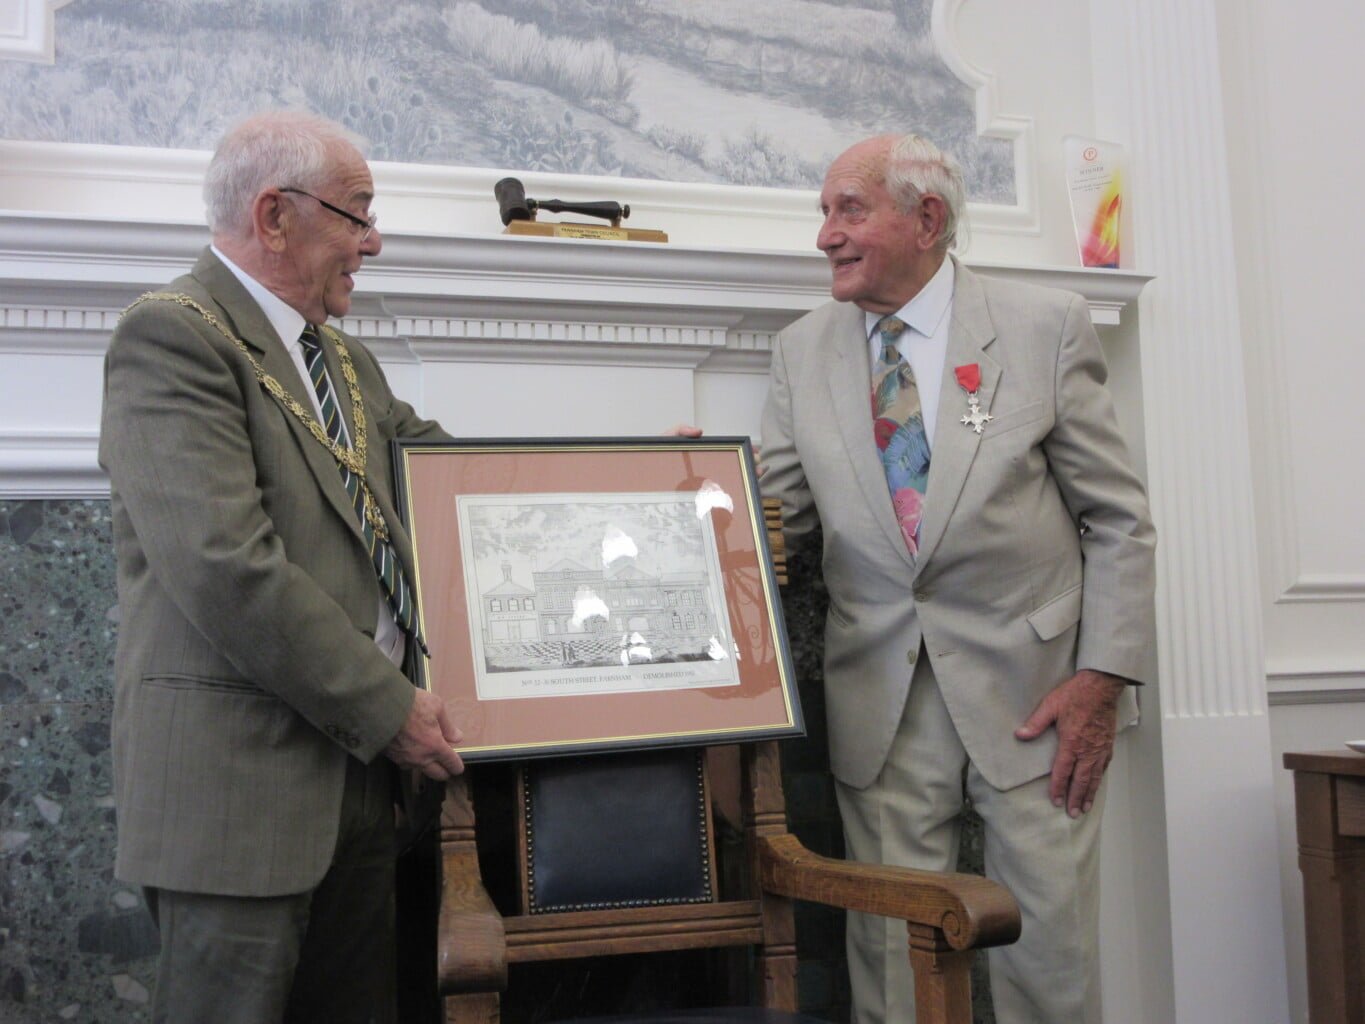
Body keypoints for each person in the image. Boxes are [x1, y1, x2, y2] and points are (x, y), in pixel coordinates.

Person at [759, 133, 1156, 1023]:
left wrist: (1101, 680)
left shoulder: (1042, 325)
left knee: (1046, 957)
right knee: (890, 964)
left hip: (1038, 698)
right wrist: (697, 498)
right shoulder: (800, 351)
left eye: (847, 210)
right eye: (823, 213)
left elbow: (1118, 518)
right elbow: (774, 517)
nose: (824, 235)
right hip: (879, 700)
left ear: (925, 217)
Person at [99, 111, 466, 1023]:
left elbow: (457, 477)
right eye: (357, 213)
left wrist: (643, 473)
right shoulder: (172, 339)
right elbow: (226, 566)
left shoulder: (344, 362)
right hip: (241, 801)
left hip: (362, 788)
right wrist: (391, 711)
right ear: (274, 215)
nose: (371, 242)